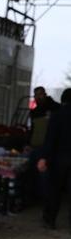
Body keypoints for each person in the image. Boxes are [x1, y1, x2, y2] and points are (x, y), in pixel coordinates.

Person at [38, 88, 71, 230]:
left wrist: (44, 157)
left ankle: (49, 220)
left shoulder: (57, 116)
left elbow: (50, 139)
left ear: (63, 100)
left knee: (54, 190)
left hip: (59, 159)